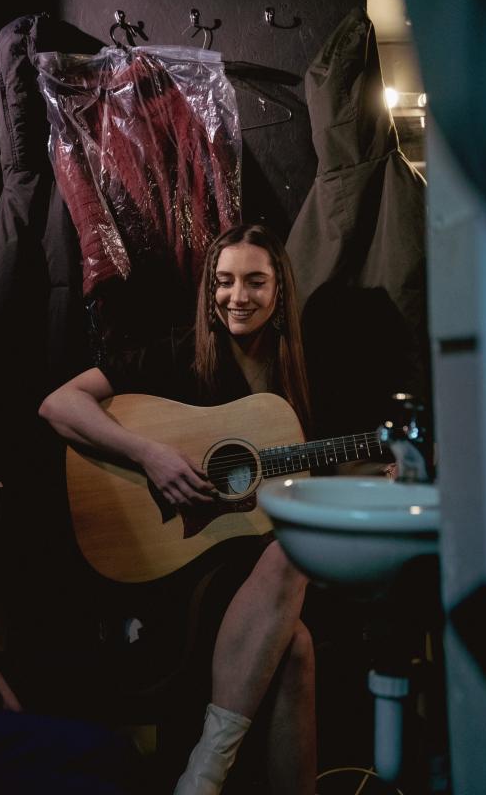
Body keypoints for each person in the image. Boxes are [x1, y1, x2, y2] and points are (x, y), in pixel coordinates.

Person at [39, 223, 318, 795]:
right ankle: (207, 768)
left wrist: (384, 468)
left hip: (259, 577)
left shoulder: (302, 373)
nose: (237, 296)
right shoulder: (178, 354)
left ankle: (205, 771)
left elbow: (326, 470)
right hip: (181, 569)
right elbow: (58, 404)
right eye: (224, 281)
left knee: (296, 639)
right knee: (293, 584)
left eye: (255, 281)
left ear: (280, 289)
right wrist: (149, 454)